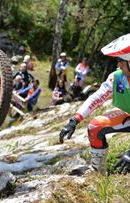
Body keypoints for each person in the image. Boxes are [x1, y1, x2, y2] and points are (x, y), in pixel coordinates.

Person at [59, 33, 130, 174]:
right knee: (95, 126)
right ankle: (98, 172)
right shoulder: (117, 78)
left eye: (121, 60)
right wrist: (74, 120)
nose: (118, 64)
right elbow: (96, 98)